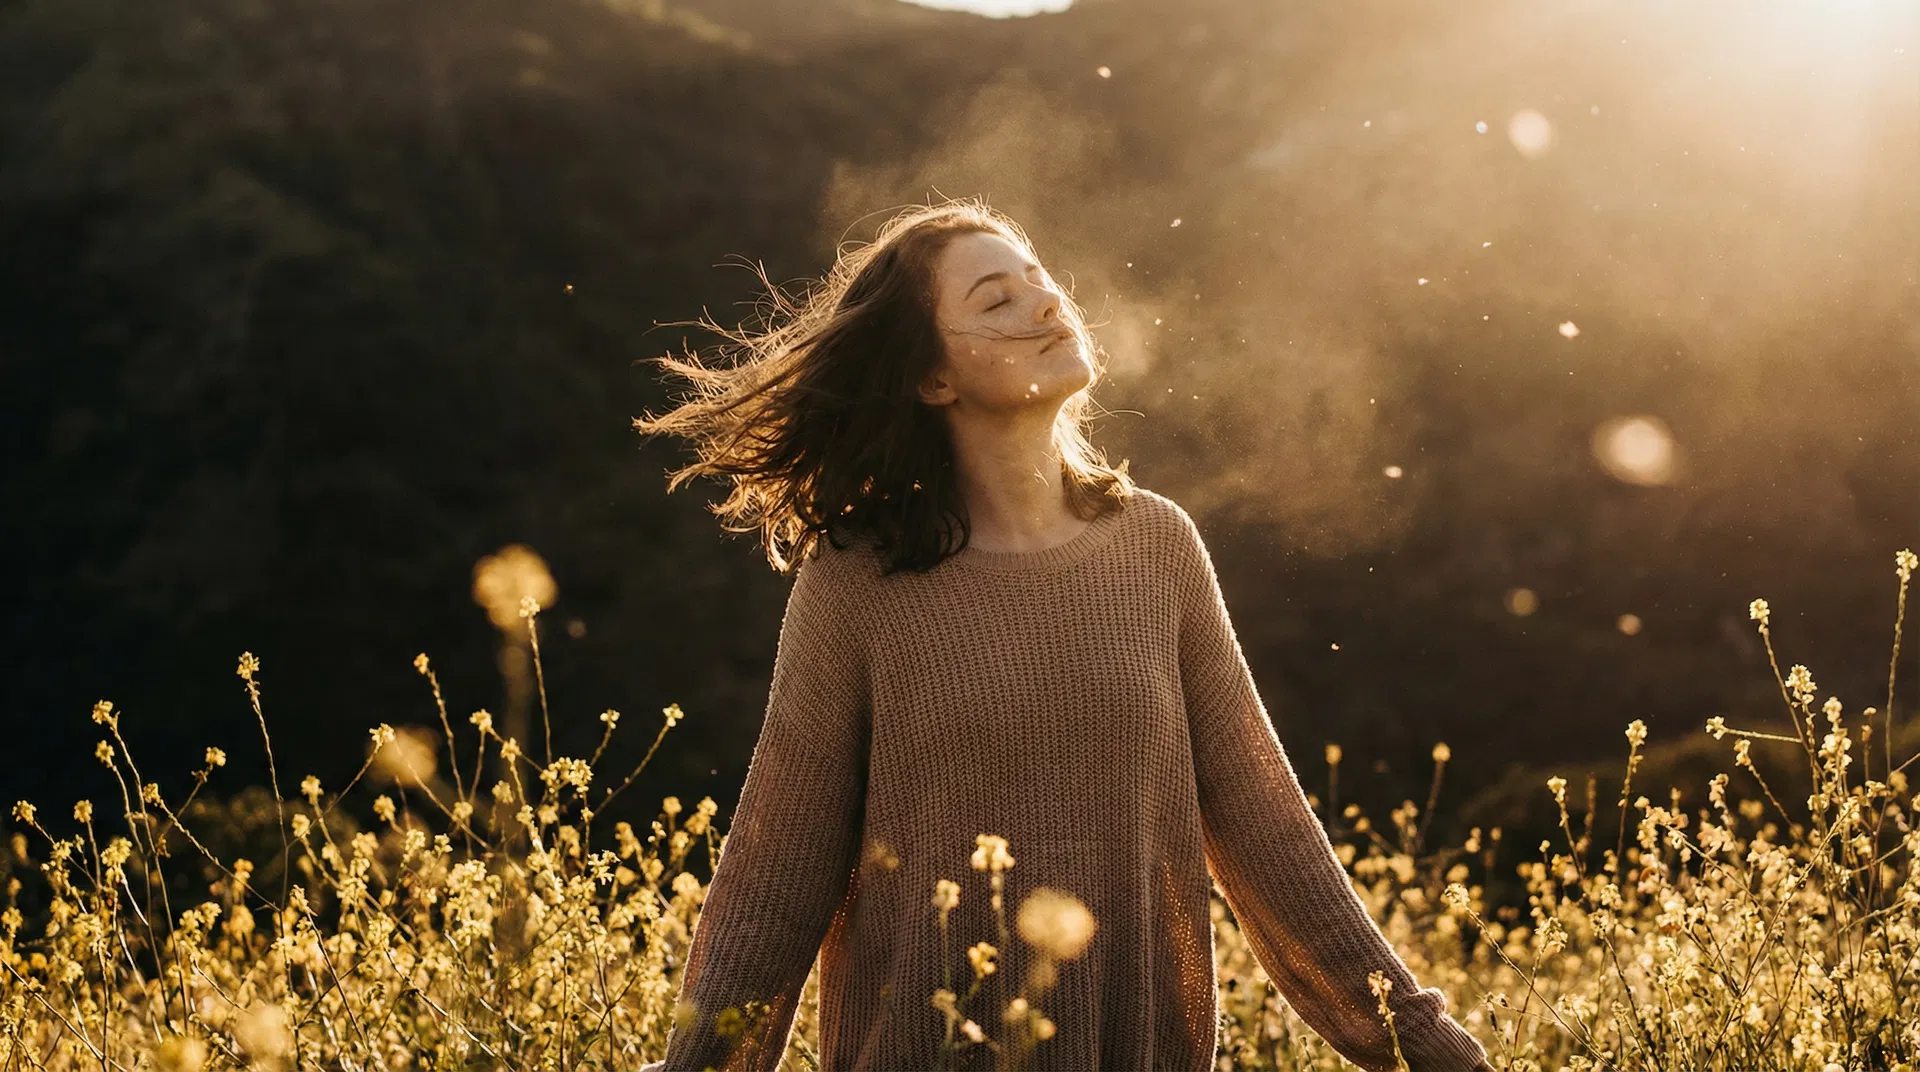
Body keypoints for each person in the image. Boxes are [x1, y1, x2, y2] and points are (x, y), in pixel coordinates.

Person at [630, 199, 1492, 1071]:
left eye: (1041, 282)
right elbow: (778, 876)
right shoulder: (857, 581)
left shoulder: (1157, 547)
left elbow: (1264, 827)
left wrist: (1420, 1043)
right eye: (995, 301)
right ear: (933, 379)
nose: (1045, 305)